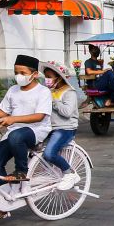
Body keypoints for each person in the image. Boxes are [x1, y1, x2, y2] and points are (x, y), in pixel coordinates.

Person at [0, 55, 53, 224]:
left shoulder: (43, 91)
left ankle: (22, 171)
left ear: (34, 74)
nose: (18, 75)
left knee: (16, 135)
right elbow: (2, 112)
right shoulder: (13, 90)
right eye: (16, 72)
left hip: (36, 130)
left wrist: (14, 119)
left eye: (22, 72)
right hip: (14, 132)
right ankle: (6, 200)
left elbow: (40, 116)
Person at [40, 62, 82, 191]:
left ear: (58, 77)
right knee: (31, 148)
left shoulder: (69, 92)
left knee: (49, 153)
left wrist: (54, 101)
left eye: (49, 76)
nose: (46, 79)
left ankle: (69, 173)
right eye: (45, 76)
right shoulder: (49, 91)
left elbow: (67, 112)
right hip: (49, 127)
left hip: (65, 129)